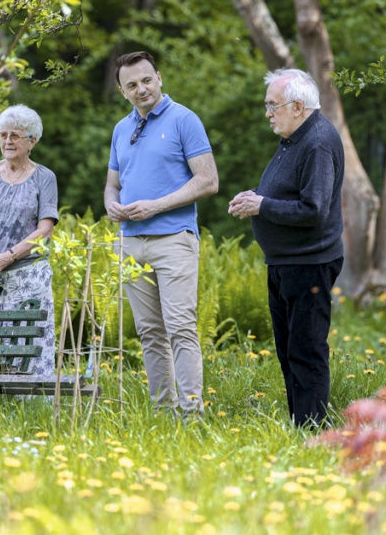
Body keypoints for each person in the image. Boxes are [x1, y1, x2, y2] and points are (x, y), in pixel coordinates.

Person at [105, 51, 219, 417]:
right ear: (122, 91)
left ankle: (191, 414)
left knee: (180, 328)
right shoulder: (122, 129)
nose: (142, 89)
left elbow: (208, 180)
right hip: (130, 241)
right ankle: (163, 413)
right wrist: (111, 204)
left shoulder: (185, 120)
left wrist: (156, 205)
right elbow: (113, 185)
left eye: (147, 80)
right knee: (149, 333)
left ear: (159, 78)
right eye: (132, 85)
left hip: (173, 239)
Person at [228, 68, 344, 428]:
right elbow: (284, 192)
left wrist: (261, 206)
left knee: (306, 351)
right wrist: (255, 198)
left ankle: (311, 431)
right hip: (285, 262)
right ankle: (301, 424)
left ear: (297, 106)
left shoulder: (318, 142)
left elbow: (314, 209)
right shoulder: (294, 137)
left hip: (309, 262)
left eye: (272, 105)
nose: (267, 113)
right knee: (288, 349)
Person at [0, 105, 59, 378]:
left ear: (33, 141)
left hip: (28, 274)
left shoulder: (45, 178)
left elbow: (45, 230)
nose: (7, 141)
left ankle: (30, 408)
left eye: (15, 136)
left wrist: (7, 258)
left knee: (27, 346)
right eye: (3, 135)